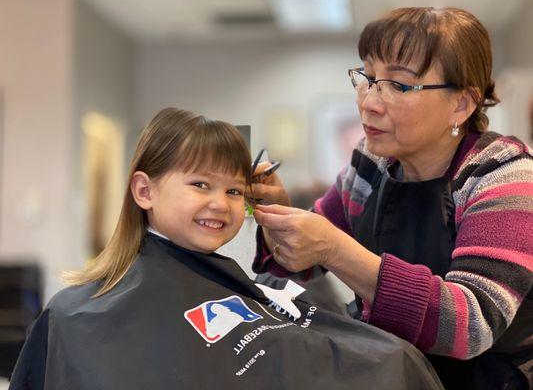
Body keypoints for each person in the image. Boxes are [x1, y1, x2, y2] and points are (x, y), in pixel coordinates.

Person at [8, 108, 443, 389]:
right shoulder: (75, 317)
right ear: (144, 190)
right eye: (200, 184)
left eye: (235, 190)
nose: (220, 203)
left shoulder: (227, 280)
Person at [252, 7, 533, 390]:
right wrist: (279, 218)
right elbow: (304, 261)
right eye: (367, 78)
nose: (369, 102)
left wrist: (336, 250)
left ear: (461, 105)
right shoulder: (372, 161)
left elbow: (469, 325)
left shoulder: (501, 175)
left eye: (398, 86)